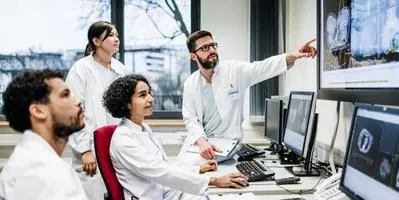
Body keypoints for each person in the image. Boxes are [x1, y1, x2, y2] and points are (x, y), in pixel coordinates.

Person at [179, 30, 317, 163]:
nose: (212, 50)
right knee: (182, 163)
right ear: (193, 56)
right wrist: (202, 141)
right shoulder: (190, 83)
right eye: (204, 48)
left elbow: (262, 68)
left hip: (227, 142)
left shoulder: (234, 71)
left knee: (189, 166)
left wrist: (292, 56)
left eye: (213, 45)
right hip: (202, 142)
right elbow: (190, 119)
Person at [103, 74, 248, 200]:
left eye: (149, 93)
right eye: (142, 95)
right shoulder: (123, 140)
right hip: (150, 197)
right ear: (127, 104)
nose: (150, 99)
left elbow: (163, 166)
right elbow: (160, 172)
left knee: (217, 196)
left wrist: (197, 169)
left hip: (164, 192)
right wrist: (214, 180)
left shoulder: (143, 128)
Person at [0, 69, 88, 200]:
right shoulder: (44, 172)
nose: (78, 102)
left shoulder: (32, 159)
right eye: (65, 95)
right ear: (38, 111)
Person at [65, 20, 128, 199]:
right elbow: (73, 112)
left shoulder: (121, 69)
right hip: (90, 146)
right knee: (93, 193)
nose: (116, 39)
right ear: (96, 41)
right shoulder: (81, 69)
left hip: (118, 145)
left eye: (117, 35)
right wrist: (84, 150)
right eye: (110, 35)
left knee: (118, 192)